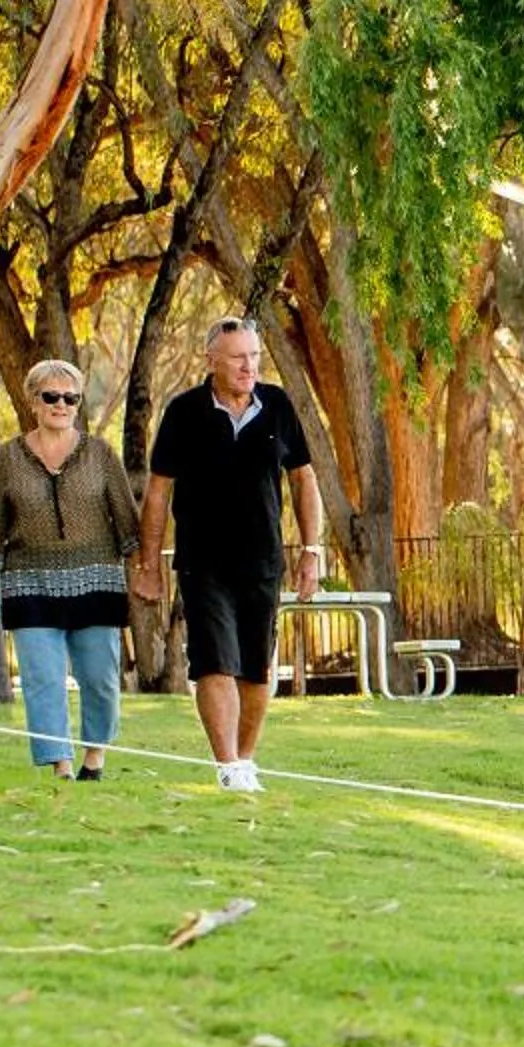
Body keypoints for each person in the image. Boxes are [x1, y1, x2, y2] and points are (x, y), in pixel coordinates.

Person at [134, 316, 324, 794]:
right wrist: (149, 563)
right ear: (211, 360)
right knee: (216, 660)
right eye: (239, 357)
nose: (249, 366)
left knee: (257, 668)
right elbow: (158, 492)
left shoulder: (278, 405)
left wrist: (311, 550)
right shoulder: (184, 412)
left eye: (255, 356)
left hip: (262, 562)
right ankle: (227, 766)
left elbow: (304, 479)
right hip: (203, 563)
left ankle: (244, 759)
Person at [0, 359, 141, 781]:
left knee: (100, 679)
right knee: (42, 680)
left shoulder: (101, 454)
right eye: (51, 397)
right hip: (29, 584)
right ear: (33, 401)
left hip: (96, 582)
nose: (61, 405)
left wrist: (142, 570)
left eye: (71, 398)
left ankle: (94, 758)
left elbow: (127, 521)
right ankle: (61, 766)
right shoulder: (10, 458)